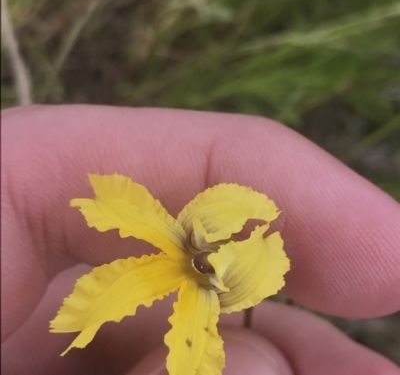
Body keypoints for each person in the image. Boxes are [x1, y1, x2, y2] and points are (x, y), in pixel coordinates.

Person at [2, 104, 400, 375]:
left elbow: (256, 247)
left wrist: (252, 240)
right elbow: (112, 208)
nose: (203, 262)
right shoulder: (183, 251)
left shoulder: (216, 277)